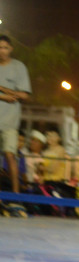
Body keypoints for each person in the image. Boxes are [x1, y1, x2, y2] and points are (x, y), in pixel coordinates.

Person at [0, 34, 30, 199]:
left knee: (10, 155)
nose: (2, 51)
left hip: (10, 122)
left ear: (11, 49)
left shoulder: (19, 67)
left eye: (5, 47)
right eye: (0, 47)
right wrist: (4, 97)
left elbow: (25, 96)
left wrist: (5, 90)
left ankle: (16, 195)